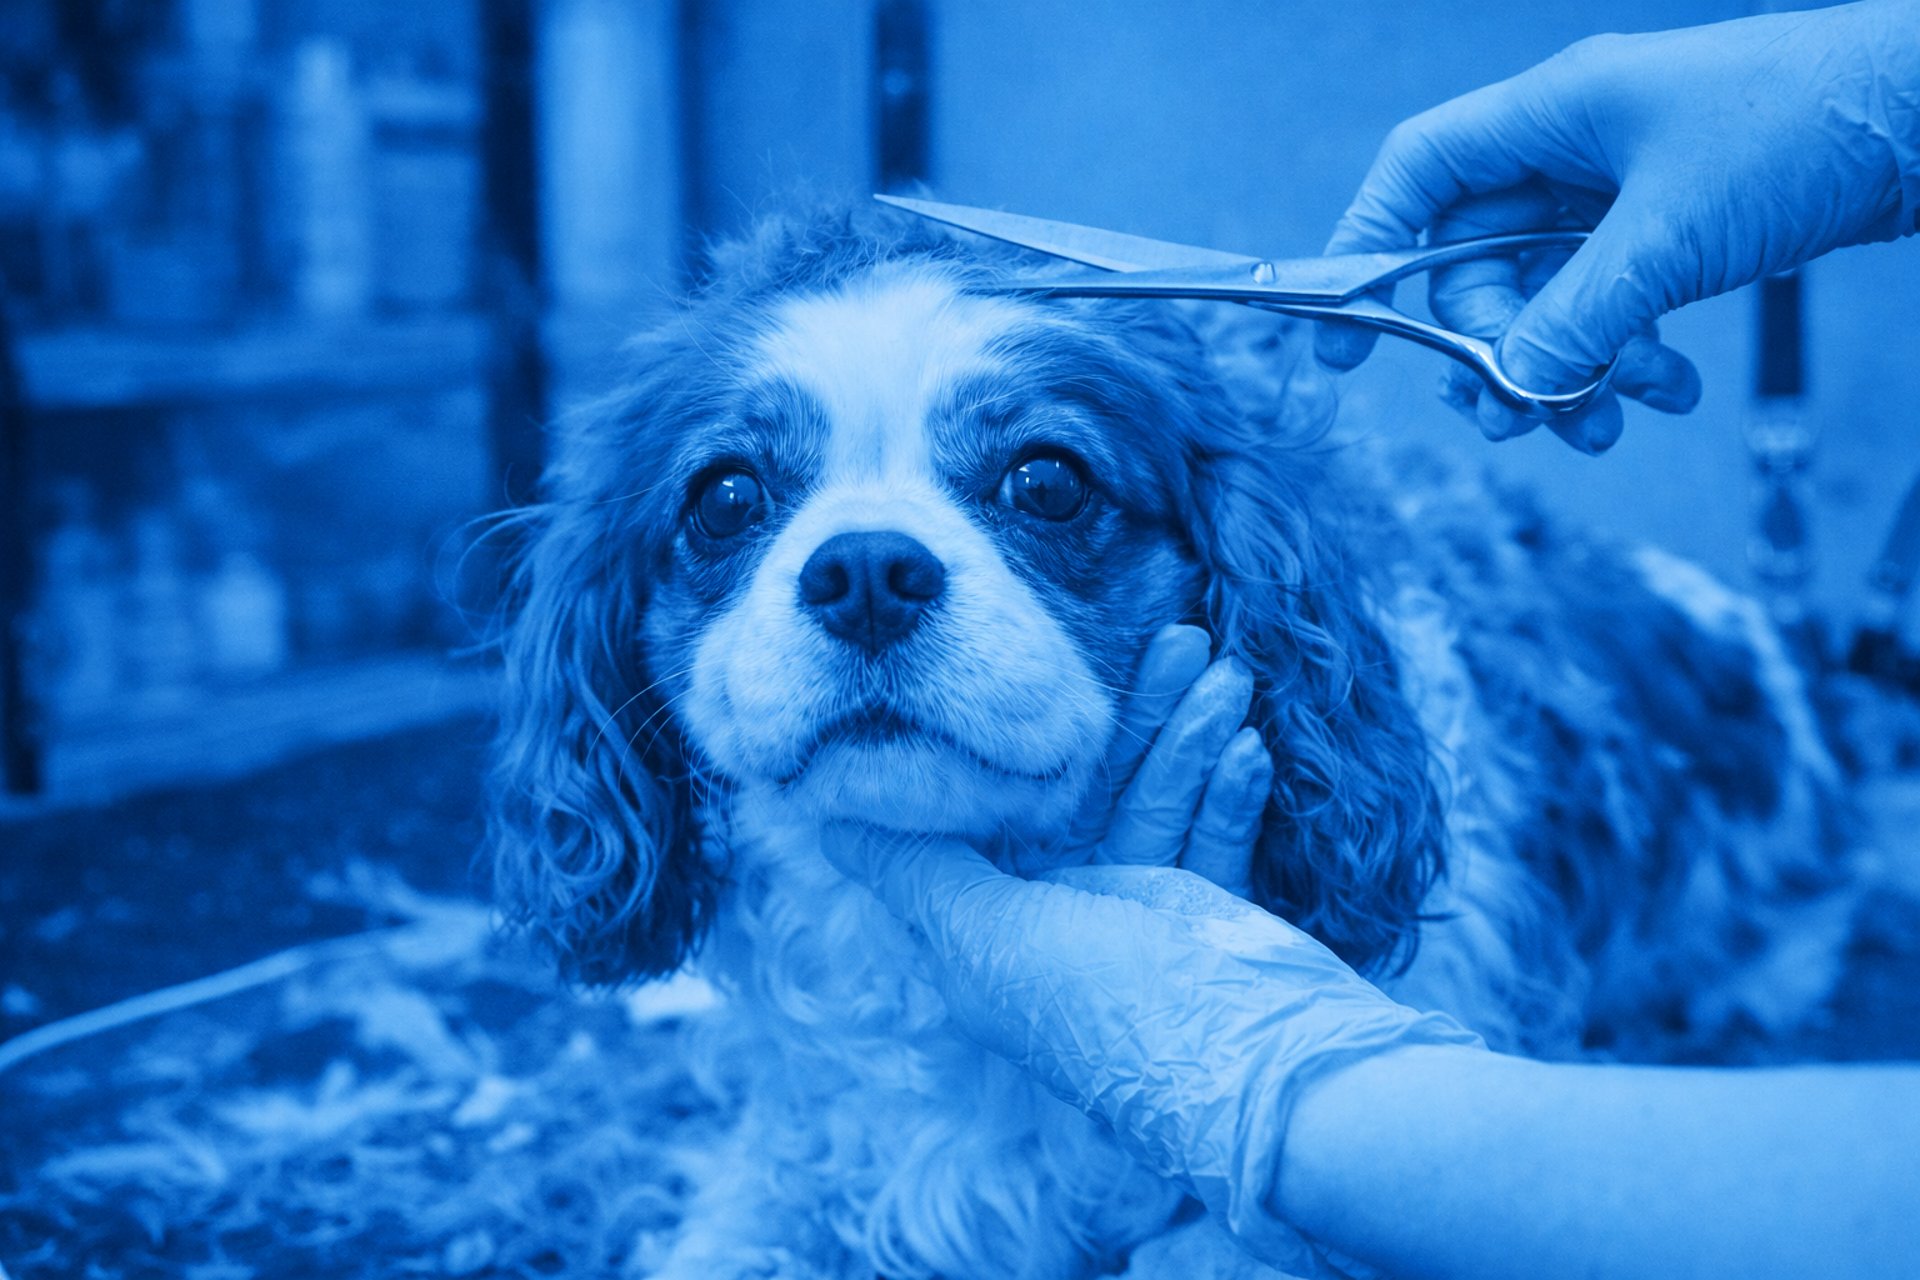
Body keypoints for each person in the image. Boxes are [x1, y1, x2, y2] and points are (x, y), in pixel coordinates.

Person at [822, 5, 1920, 1278]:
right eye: (737, 499)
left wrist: (1281, 1099)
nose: (861, 566)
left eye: (1044, 483)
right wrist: (1875, 96)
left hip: (1779, 837)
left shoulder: (1316, 620)